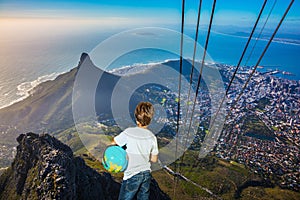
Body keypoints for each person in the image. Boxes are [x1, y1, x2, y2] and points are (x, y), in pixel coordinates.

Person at [112, 102, 159, 200]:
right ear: (150, 120)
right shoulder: (152, 137)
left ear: (136, 118)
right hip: (146, 174)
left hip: (132, 174)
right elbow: (154, 159)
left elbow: (114, 142)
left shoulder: (129, 132)